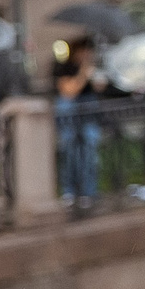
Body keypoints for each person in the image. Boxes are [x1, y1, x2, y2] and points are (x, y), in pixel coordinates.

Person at [51, 39, 101, 207]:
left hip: (88, 118)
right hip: (70, 119)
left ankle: (89, 191)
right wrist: (83, 74)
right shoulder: (64, 67)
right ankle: (69, 191)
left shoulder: (93, 68)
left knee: (89, 155)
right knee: (70, 154)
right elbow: (69, 91)